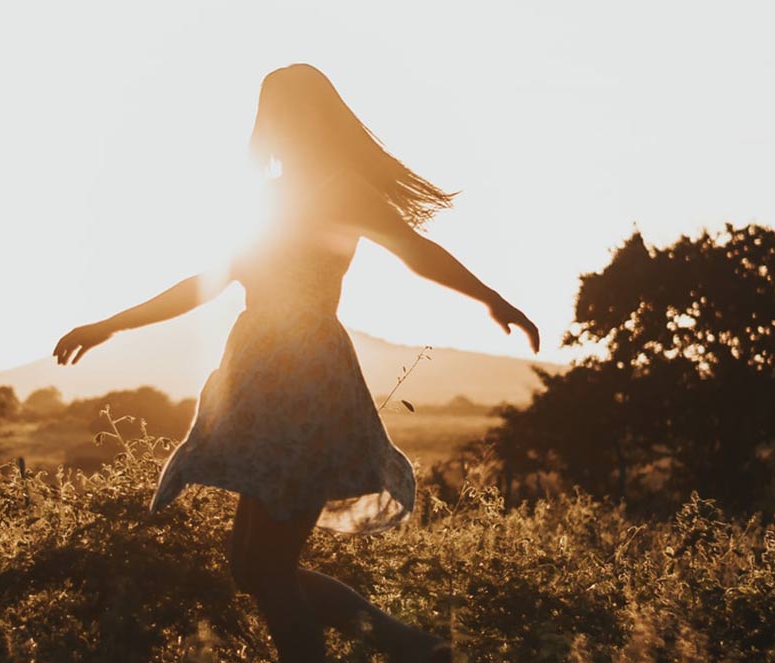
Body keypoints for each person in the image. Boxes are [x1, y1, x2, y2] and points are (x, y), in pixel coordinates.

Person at [53, 63, 539, 663]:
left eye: (286, 114)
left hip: (307, 380)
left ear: (313, 120)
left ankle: (410, 647)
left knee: (269, 568)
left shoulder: (343, 190)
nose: (275, 126)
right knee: (251, 568)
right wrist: (110, 324)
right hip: (257, 384)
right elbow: (204, 285)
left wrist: (492, 297)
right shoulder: (267, 199)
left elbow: (417, 253)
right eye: (271, 114)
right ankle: (413, 648)